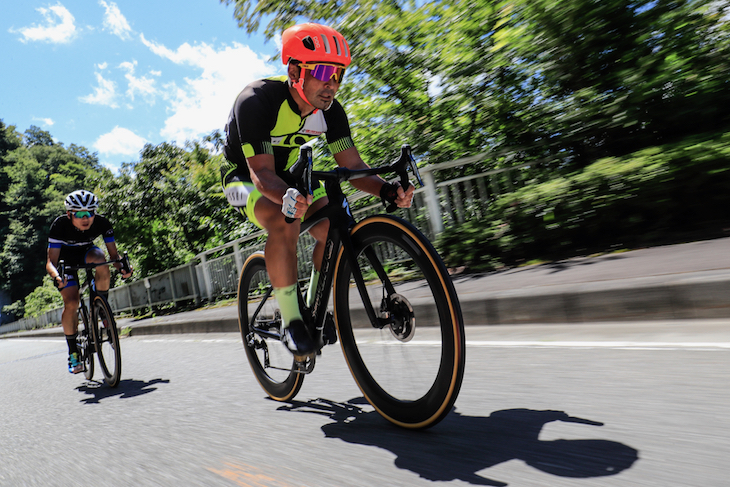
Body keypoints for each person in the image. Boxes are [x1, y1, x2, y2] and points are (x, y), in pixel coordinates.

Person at [221, 23, 414, 357]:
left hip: (287, 175)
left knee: (329, 226)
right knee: (284, 221)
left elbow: (353, 167)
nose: (331, 85)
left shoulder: (330, 111)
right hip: (243, 178)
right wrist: (287, 198)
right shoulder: (257, 100)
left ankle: (312, 304)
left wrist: (387, 191)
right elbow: (262, 173)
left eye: (338, 75)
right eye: (324, 72)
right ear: (295, 71)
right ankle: (293, 321)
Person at [45, 190, 132, 374]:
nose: (86, 218)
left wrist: (122, 268)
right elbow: (51, 262)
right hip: (65, 263)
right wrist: (57, 276)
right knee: (72, 303)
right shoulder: (59, 225)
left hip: (87, 254)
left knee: (101, 259)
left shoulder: (101, 223)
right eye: (80, 214)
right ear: (70, 214)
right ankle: (73, 352)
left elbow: (113, 256)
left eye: (90, 213)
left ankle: (102, 310)